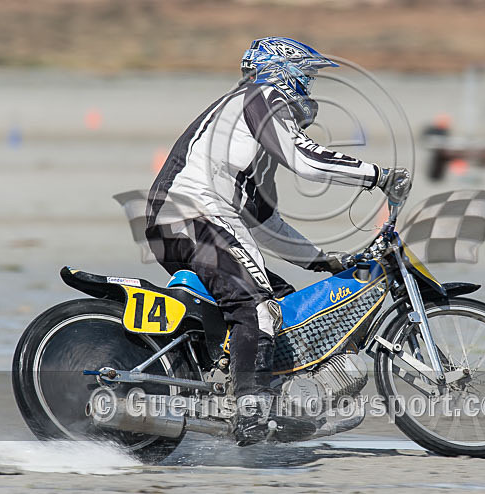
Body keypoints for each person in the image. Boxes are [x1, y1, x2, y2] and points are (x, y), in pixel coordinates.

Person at [145, 36, 409, 446]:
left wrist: (324, 260)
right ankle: (249, 410)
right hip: (192, 214)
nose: (309, 88)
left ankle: (265, 403)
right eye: (307, 76)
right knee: (258, 307)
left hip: (185, 220)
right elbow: (307, 161)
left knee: (280, 301)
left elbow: (263, 220)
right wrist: (378, 175)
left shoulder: (250, 132)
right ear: (282, 72)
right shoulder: (262, 96)